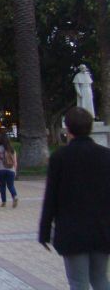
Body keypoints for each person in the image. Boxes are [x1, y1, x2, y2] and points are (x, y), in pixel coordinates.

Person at [39, 107, 110, 290]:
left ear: (68, 129)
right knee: (100, 279)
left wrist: (45, 231)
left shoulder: (60, 157)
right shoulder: (105, 155)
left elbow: (51, 197)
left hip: (72, 231)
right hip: (102, 229)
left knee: (78, 282)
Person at [0, 133, 19, 208]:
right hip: (11, 170)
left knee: (2, 186)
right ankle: (15, 196)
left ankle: (3, 202)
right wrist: (15, 170)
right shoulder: (12, 149)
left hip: (1, 170)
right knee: (11, 185)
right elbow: (15, 161)